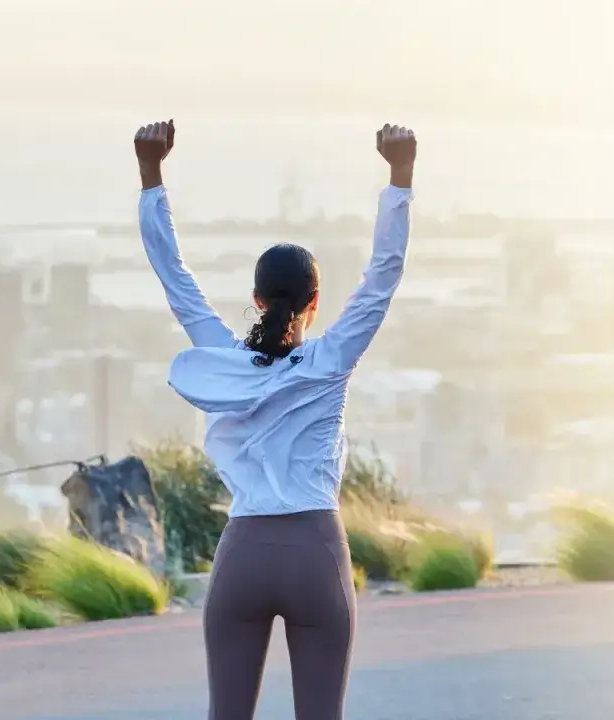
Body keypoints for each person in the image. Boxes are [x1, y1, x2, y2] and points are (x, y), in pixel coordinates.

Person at [135, 118, 416, 720]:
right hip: (315, 552)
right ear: (314, 303)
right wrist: (400, 175)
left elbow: (174, 275)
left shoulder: (223, 361)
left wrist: (151, 172)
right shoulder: (330, 360)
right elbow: (382, 277)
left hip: (243, 555)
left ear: (258, 301)